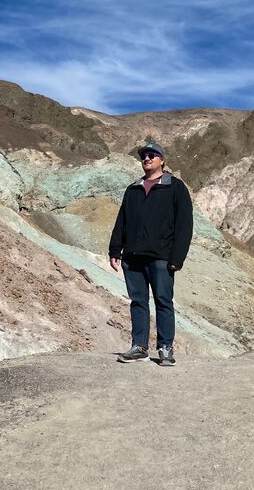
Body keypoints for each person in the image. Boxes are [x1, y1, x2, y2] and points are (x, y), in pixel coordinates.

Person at [108, 142, 193, 366]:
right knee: (138, 301)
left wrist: (177, 258)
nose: (147, 158)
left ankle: (165, 348)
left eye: (152, 155)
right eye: (144, 156)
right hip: (133, 257)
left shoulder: (175, 187)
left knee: (163, 301)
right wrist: (115, 249)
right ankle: (139, 347)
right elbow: (122, 222)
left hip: (161, 257)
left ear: (162, 160)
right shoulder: (133, 189)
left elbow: (184, 225)